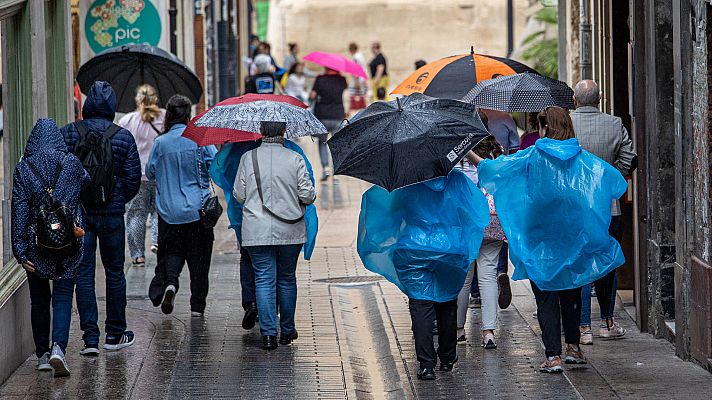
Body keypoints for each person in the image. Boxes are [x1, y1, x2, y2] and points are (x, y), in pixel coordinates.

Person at [473, 106, 627, 373]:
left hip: (539, 238)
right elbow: (615, 182)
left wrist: (472, 154)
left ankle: (553, 356)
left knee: (545, 297)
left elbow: (497, 169)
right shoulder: (583, 159)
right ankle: (574, 349)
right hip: (573, 237)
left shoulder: (532, 156)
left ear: (545, 128)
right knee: (571, 291)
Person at [358, 169, 489, 380]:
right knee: (447, 301)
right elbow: (475, 213)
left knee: (420, 305)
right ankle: (447, 357)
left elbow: (392, 213)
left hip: (413, 248)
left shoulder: (406, 182)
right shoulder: (456, 179)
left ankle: (426, 365)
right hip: (450, 248)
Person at [61, 81, 141, 355]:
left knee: (83, 274)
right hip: (112, 215)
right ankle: (115, 335)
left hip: (80, 215)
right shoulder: (123, 136)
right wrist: (116, 199)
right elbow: (133, 180)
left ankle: (90, 339)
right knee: (115, 272)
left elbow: (61, 174)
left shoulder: (69, 133)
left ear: (87, 105)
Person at [12, 119, 90, 377]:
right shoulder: (71, 163)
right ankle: (59, 347)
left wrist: (19, 250)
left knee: (39, 300)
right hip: (69, 242)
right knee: (63, 296)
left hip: (37, 245)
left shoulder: (24, 168)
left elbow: (19, 210)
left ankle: (43, 355)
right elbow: (86, 181)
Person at [234, 121, 316, 350]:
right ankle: (287, 330)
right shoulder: (295, 158)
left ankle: (268, 334)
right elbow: (307, 196)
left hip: (256, 230)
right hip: (290, 230)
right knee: (287, 278)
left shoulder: (247, 158)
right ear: (283, 132)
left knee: (263, 279)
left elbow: (239, 195)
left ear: (261, 131)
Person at [571, 79, 638, 344]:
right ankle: (607, 322)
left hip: (575, 207)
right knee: (606, 262)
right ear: (600, 100)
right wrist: (611, 181)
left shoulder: (566, 124)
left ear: (575, 100)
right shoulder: (614, 124)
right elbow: (629, 159)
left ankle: (583, 327)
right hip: (609, 208)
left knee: (580, 262)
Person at [146, 95, 218, 317]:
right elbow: (214, 166)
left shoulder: (160, 143)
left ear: (168, 115)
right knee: (199, 263)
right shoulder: (199, 140)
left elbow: (149, 173)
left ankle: (170, 285)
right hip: (198, 212)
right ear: (188, 114)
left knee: (172, 253)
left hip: (169, 214)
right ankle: (197, 307)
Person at [119, 84, 165, 268]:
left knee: (136, 215)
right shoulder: (164, 116)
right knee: (159, 212)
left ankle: (138, 255)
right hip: (160, 174)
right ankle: (157, 241)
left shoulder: (127, 120)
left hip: (136, 176)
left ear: (137, 99)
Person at [310, 67, 347, 180]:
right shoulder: (342, 80)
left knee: (322, 142)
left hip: (322, 116)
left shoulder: (320, 79)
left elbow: (312, 95)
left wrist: (318, 98)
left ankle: (325, 168)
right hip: (337, 115)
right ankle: (336, 170)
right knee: (336, 144)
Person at [348, 42, 368, 112]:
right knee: (362, 97)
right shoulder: (360, 56)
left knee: (357, 99)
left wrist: (357, 82)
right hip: (362, 79)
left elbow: (356, 70)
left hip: (358, 80)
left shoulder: (356, 57)